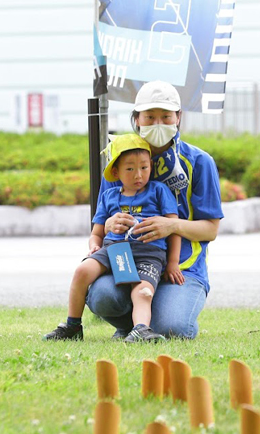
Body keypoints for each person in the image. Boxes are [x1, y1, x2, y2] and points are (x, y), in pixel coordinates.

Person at [85, 81, 224, 340]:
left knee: (173, 327)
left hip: (181, 268)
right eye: (150, 117)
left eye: (166, 116)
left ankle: (152, 322)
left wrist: (172, 225)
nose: (158, 123)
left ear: (178, 117)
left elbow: (211, 230)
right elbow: (100, 225)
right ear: (137, 119)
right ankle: (134, 326)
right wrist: (110, 224)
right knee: (102, 297)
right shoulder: (118, 161)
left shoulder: (200, 162)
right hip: (125, 262)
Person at [44, 134, 181, 343]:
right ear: (116, 172)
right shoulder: (109, 196)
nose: (138, 175)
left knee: (143, 292)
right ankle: (73, 326)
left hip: (149, 253)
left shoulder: (159, 191)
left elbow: (174, 228)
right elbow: (96, 233)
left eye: (144, 167)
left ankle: (141, 330)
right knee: (82, 271)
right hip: (113, 250)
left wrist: (172, 263)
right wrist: (94, 246)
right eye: (130, 169)